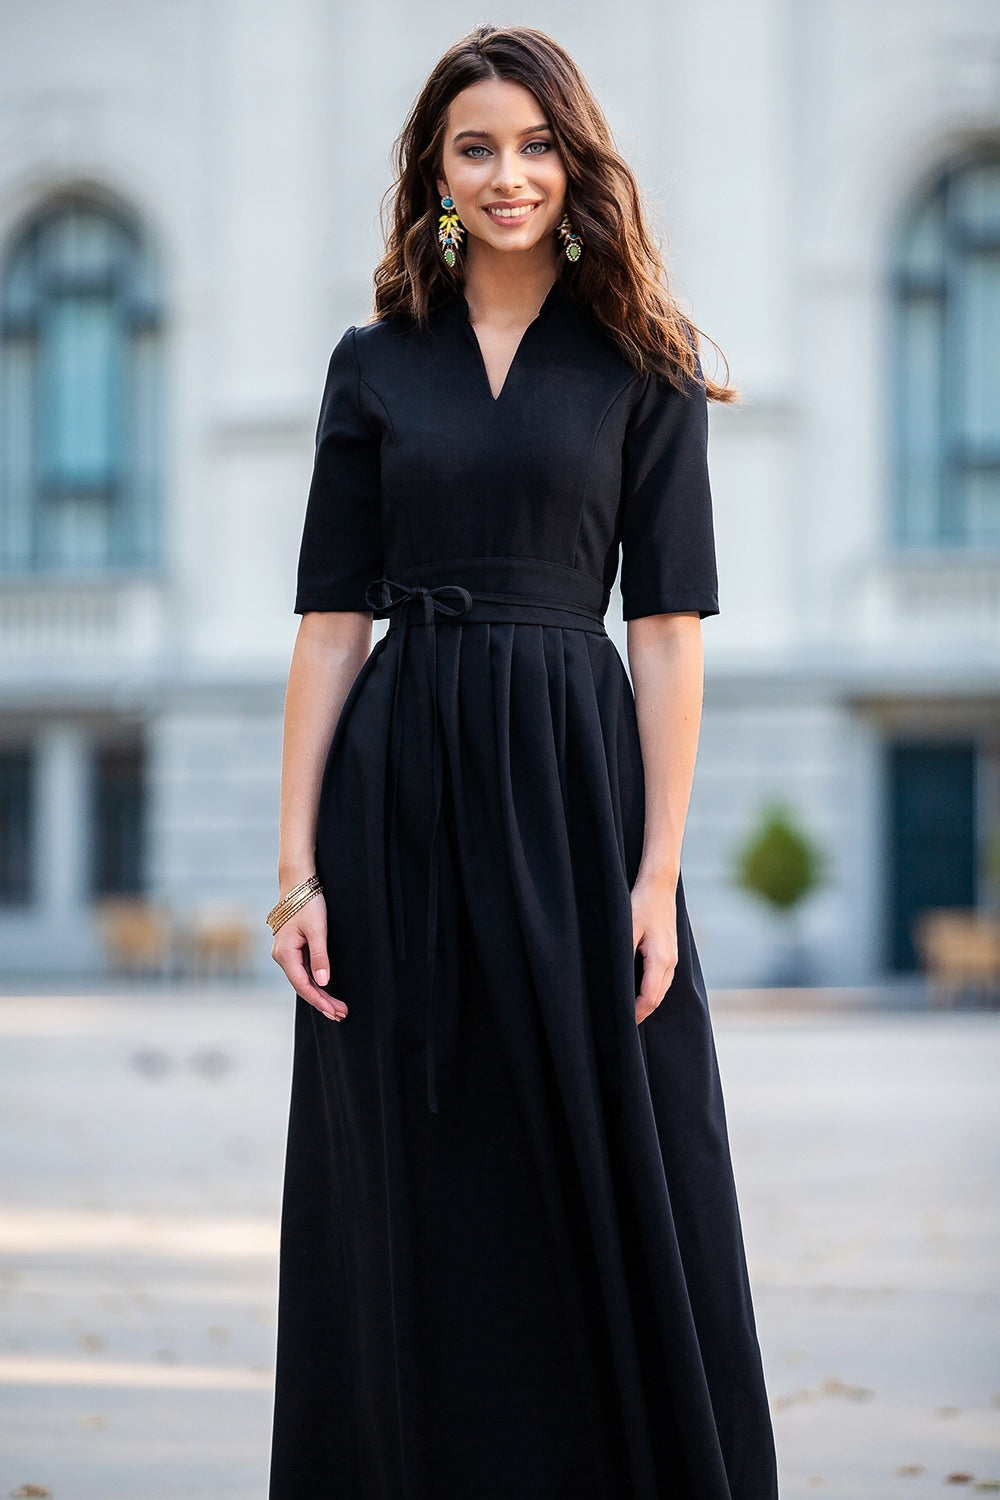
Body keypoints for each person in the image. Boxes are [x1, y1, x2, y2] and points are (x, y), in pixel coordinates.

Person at [266, 22, 779, 1500]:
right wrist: (297, 867)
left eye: (539, 146)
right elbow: (326, 626)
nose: (510, 176)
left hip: (573, 780)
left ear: (579, 163)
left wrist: (660, 865)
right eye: (477, 148)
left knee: (626, 1130)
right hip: (399, 789)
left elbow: (670, 630)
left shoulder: (643, 360)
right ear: (436, 172)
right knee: (414, 1163)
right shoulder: (372, 365)